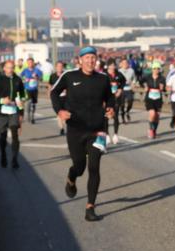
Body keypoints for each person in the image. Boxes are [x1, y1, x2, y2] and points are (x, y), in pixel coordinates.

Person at [50, 46, 114, 222]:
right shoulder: (69, 76)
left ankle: (90, 207)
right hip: (76, 130)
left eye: (93, 58)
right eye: (87, 58)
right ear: (80, 60)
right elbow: (54, 92)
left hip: (97, 129)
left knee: (94, 167)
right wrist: (59, 111)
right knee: (79, 167)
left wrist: (110, 108)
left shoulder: (103, 79)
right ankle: (71, 177)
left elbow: (110, 97)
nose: (90, 61)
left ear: (96, 60)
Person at [0, 60, 26, 170]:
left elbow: (22, 96)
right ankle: (3, 155)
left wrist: (21, 111)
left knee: (15, 136)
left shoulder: (18, 80)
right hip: (2, 112)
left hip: (14, 111)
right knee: (2, 136)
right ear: (4, 68)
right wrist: (1, 100)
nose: (11, 69)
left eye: (12, 67)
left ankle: (14, 159)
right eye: (9, 67)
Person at [141, 61, 168, 139]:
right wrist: (144, 86)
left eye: (158, 69)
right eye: (154, 68)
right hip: (149, 98)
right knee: (152, 114)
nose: (156, 70)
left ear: (159, 69)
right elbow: (140, 81)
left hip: (158, 99)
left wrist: (163, 88)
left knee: (157, 116)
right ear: (152, 69)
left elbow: (165, 89)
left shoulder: (162, 78)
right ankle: (150, 129)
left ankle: (154, 130)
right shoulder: (147, 77)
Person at [106, 61, 127, 144]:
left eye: (114, 65)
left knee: (115, 116)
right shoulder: (104, 75)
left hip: (116, 98)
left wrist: (120, 90)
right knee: (106, 117)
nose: (112, 67)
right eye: (111, 65)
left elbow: (124, 81)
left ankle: (115, 135)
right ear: (108, 66)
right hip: (107, 99)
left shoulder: (119, 74)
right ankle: (107, 135)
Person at [20, 57, 44, 124]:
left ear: (33, 63)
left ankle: (32, 117)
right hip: (27, 88)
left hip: (35, 89)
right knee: (29, 101)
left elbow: (41, 77)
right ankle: (28, 115)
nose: (30, 64)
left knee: (33, 104)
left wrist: (37, 77)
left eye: (31, 62)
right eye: (29, 62)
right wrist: (25, 80)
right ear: (27, 63)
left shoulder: (37, 70)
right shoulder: (25, 70)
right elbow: (20, 77)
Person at [48, 61, 67, 135]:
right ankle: (61, 128)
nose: (59, 68)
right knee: (59, 113)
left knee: (66, 114)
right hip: (57, 98)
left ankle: (65, 124)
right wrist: (49, 93)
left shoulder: (65, 75)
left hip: (65, 97)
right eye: (58, 66)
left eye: (61, 66)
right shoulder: (52, 76)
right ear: (56, 67)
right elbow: (50, 85)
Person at [118, 58, 137, 123]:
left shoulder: (131, 70)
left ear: (128, 64)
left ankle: (127, 112)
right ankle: (123, 118)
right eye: (124, 63)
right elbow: (116, 80)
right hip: (122, 89)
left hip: (129, 89)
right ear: (121, 64)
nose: (125, 64)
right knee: (122, 105)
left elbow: (134, 79)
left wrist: (133, 84)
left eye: (126, 63)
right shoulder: (119, 71)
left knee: (130, 101)